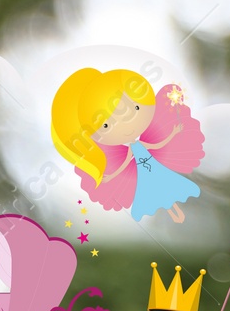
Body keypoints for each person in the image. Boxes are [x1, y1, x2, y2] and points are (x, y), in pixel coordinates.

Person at [49, 68, 204, 224]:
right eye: (106, 125)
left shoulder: (140, 143)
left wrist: (173, 133)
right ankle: (174, 213)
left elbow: (157, 145)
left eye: (135, 108)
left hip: (156, 172)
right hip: (146, 177)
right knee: (160, 195)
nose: (126, 125)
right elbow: (125, 164)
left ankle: (175, 212)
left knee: (167, 191)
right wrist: (112, 175)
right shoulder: (130, 150)